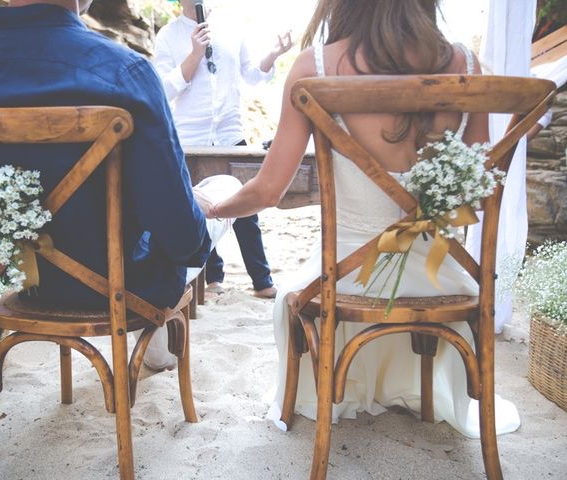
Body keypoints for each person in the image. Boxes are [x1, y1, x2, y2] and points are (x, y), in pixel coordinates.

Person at [207, 0, 521, 438]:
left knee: (292, 300)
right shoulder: (464, 63)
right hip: (444, 279)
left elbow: (268, 190)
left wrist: (215, 209)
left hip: (348, 278)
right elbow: (478, 193)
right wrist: (426, 204)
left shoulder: (314, 67)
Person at [0, 0, 239, 340]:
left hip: (16, 279)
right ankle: (156, 349)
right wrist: (195, 202)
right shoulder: (126, 72)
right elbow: (182, 239)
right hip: (123, 285)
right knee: (223, 188)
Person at [153, 0, 293, 299]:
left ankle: (261, 279)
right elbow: (164, 91)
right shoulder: (167, 35)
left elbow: (253, 75)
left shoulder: (232, 26)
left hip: (231, 133)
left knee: (246, 208)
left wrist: (274, 55)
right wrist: (194, 54)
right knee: (198, 207)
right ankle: (212, 277)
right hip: (190, 137)